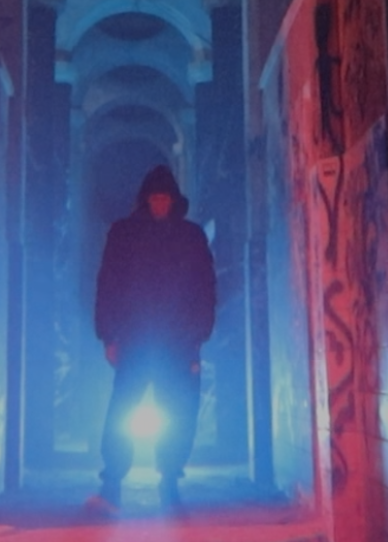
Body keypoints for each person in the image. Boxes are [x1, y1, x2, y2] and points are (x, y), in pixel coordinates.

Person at [88, 164, 216, 515]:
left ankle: (169, 476)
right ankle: (114, 480)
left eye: (164, 198)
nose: (160, 204)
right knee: (124, 410)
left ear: (173, 200)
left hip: (174, 341)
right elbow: (108, 284)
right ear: (146, 200)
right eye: (155, 198)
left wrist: (198, 334)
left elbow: (205, 288)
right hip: (138, 339)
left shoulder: (189, 237)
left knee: (175, 412)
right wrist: (109, 335)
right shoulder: (126, 234)